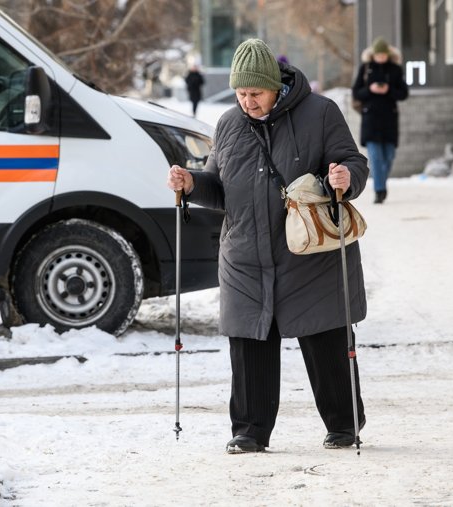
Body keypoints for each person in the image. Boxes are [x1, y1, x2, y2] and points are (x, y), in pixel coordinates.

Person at [167, 39, 368, 454]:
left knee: (325, 335)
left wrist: (345, 178)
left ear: (275, 86)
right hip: (245, 253)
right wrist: (190, 185)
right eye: (241, 94)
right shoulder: (227, 124)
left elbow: (355, 162)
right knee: (249, 342)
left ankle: (344, 424)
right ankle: (249, 431)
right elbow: (220, 188)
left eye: (255, 94)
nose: (247, 102)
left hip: (307, 251)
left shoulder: (321, 113)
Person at [352, 36, 409, 204]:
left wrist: (388, 90)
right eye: (378, 55)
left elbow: (403, 93)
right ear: (373, 55)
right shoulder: (366, 69)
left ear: (388, 55)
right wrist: (370, 89)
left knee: (389, 156)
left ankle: (381, 183)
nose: (381, 58)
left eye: (384, 55)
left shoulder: (396, 70)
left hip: (389, 118)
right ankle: (379, 190)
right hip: (371, 118)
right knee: (375, 157)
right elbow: (356, 92)